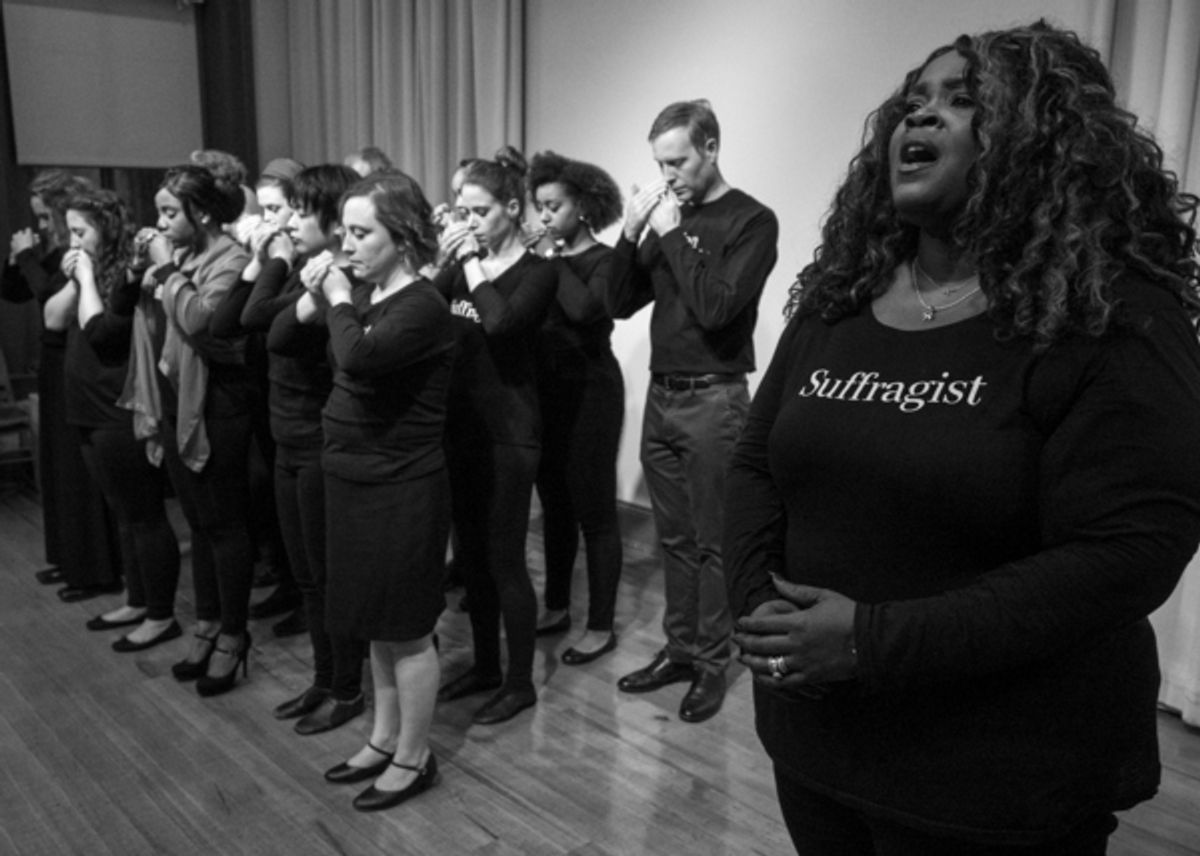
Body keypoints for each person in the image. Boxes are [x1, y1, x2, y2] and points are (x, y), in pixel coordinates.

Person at [725, 21, 1200, 855]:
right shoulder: (842, 295)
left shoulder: (1116, 314)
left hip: (996, 774)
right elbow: (758, 460)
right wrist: (758, 613)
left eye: (962, 100)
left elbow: (1129, 552)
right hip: (818, 742)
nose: (920, 118)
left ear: (1044, 136)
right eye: (914, 103)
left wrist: (875, 642)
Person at [276, 172, 452, 811]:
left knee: (406, 628)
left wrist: (337, 296)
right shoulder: (372, 298)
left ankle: (415, 756)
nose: (345, 245)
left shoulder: (422, 305)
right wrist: (321, 299)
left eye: (360, 232)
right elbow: (283, 340)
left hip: (401, 489)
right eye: (344, 231)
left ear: (401, 236)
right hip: (355, 482)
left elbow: (356, 359)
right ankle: (382, 738)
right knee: (377, 623)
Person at [609, 99, 778, 722]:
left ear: (710, 147)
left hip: (715, 397)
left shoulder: (752, 220)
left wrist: (672, 231)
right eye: (659, 163)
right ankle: (680, 649)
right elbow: (617, 302)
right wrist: (629, 235)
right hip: (664, 394)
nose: (668, 174)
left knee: (714, 543)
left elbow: (716, 308)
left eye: (677, 160)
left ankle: (712, 663)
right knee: (673, 539)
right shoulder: (664, 221)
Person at [433, 150, 558, 724]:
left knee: (505, 559)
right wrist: (447, 260)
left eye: (479, 212)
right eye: (462, 211)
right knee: (474, 559)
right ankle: (484, 665)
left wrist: (472, 263)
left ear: (512, 208)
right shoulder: (461, 263)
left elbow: (503, 325)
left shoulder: (539, 271)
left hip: (510, 432)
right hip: (461, 431)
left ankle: (519, 681)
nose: (470, 222)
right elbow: (430, 311)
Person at [126, 164, 255, 697]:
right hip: (178, 400)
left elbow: (201, 320)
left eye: (169, 212)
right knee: (197, 525)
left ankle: (234, 634)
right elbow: (150, 322)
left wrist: (164, 271)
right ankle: (205, 623)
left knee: (224, 526)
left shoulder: (235, 258)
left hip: (220, 405)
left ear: (201, 213)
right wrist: (142, 267)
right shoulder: (176, 256)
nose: (160, 223)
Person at [253, 163, 368, 735]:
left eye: (301, 212)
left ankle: (348, 687)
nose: (290, 222)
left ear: (333, 218)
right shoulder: (308, 270)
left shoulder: (345, 285)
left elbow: (274, 333)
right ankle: (324, 678)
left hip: (322, 443)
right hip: (286, 441)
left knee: (330, 577)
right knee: (305, 577)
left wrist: (312, 292)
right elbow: (246, 319)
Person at [56, 187, 182, 650]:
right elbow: (53, 320)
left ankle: (163, 615)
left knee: (145, 515)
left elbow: (104, 335)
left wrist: (86, 278)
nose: (72, 241)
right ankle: (139, 599)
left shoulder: (123, 274)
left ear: (105, 230)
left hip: (120, 409)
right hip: (88, 407)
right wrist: (76, 280)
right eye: (68, 231)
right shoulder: (87, 272)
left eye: (80, 231)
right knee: (123, 515)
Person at [3, 170, 123, 600]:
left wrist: (29, 259)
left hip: (74, 361)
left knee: (79, 468)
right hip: (54, 364)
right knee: (57, 465)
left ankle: (93, 567)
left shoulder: (77, 254)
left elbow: (49, 304)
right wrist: (18, 257)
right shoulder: (53, 250)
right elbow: (13, 291)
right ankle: (69, 559)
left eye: (43, 216)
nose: (40, 226)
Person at [526, 151, 626, 665]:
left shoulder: (604, 260)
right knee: (556, 507)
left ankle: (601, 624)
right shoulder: (545, 258)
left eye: (554, 206)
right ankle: (557, 605)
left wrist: (549, 260)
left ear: (583, 207)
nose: (543, 217)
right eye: (539, 206)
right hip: (547, 392)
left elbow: (586, 309)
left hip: (591, 391)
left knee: (596, 512)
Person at [214, 156, 307, 638]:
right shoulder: (276, 260)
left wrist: (276, 260)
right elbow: (223, 324)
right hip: (264, 396)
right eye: (264, 209)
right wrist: (256, 262)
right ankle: (291, 586)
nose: (270, 220)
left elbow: (255, 318)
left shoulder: (302, 265)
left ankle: (306, 598)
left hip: (299, 407)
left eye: (278, 209)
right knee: (272, 501)